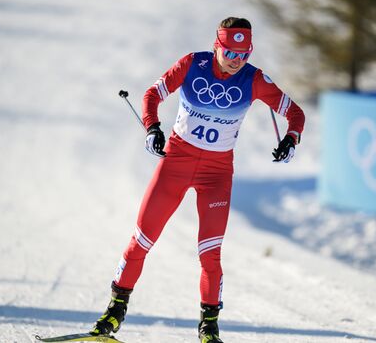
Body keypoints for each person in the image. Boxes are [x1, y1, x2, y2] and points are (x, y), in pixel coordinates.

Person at [91, 17, 305, 343]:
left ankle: (209, 329)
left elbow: (296, 114)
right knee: (142, 241)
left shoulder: (254, 79)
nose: (237, 61)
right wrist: (152, 127)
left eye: (244, 54)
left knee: (210, 254)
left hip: (217, 175)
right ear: (217, 46)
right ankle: (114, 311)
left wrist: (291, 138)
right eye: (231, 53)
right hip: (176, 164)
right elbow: (152, 93)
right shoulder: (193, 64)